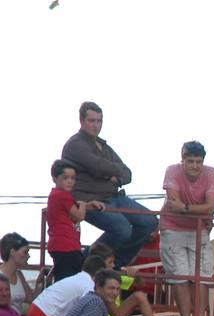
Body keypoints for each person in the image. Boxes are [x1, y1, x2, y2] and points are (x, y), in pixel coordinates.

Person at [60, 102, 157, 269]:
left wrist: (112, 176)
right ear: (82, 120)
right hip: (90, 199)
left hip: (115, 196)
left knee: (149, 221)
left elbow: (127, 173)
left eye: (99, 121)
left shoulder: (104, 146)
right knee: (122, 229)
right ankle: (85, 263)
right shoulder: (75, 144)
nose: (96, 125)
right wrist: (107, 172)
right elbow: (97, 165)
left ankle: (117, 263)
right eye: (92, 120)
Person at [160, 141, 214, 316]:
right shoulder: (172, 171)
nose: (194, 166)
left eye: (198, 161)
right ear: (182, 160)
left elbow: (209, 207)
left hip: (199, 230)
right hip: (173, 228)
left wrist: (185, 208)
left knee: (201, 277)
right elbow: (173, 202)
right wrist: (199, 211)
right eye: (190, 161)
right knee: (180, 277)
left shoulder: (211, 173)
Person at [57, 268, 174, 316]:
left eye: (118, 289)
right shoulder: (95, 302)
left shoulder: (96, 299)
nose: (115, 292)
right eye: (111, 288)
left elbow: (140, 283)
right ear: (97, 287)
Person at [26, 243, 115, 316]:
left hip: (36, 309)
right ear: (99, 271)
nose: (113, 266)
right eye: (110, 262)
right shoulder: (89, 286)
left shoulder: (80, 277)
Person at [45, 160, 102, 282]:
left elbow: (72, 208)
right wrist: (82, 204)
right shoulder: (63, 195)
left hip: (60, 245)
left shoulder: (55, 195)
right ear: (55, 178)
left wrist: (86, 205)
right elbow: (79, 216)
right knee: (69, 281)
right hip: (66, 246)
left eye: (73, 178)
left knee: (64, 279)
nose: (70, 181)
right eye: (66, 178)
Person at [0, 234, 35, 315]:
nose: (28, 256)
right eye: (25, 252)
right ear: (12, 252)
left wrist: (40, 282)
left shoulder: (19, 274)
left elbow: (30, 299)